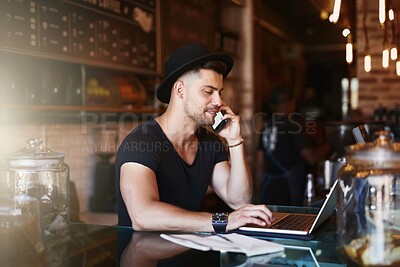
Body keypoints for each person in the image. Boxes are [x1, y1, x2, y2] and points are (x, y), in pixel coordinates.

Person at [116, 43, 273, 232]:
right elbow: (142, 216)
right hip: (146, 257)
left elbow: (239, 201)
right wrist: (221, 221)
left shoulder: (210, 143)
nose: (218, 102)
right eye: (208, 91)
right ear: (180, 90)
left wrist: (234, 140)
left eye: (219, 92)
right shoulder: (141, 143)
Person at [255, 85, 331, 206]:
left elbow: (259, 165)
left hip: (268, 189)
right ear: (291, 103)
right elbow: (311, 159)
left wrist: (257, 195)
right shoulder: (293, 126)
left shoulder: (266, 127)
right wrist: (331, 145)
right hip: (288, 191)